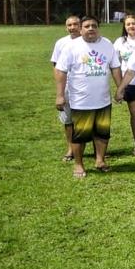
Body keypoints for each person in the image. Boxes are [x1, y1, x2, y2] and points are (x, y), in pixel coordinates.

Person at [55, 16, 123, 178]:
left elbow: (115, 68)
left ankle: (100, 160)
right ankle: (78, 165)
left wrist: (120, 89)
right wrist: (59, 95)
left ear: (98, 28)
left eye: (94, 25)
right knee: (80, 136)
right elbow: (61, 71)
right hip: (80, 101)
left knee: (102, 133)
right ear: (81, 29)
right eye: (87, 26)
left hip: (103, 100)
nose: (91, 28)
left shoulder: (107, 44)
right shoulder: (71, 47)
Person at [112, 14, 135, 152]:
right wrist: (121, 85)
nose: (131, 26)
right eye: (128, 24)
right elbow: (115, 64)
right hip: (130, 84)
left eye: (133, 23)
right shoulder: (120, 42)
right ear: (125, 27)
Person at [50, 14, 80, 161]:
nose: (72, 28)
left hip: (84, 87)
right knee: (68, 120)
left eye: (75, 24)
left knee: (90, 118)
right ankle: (70, 148)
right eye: (69, 25)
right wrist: (59, 92)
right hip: (67, 87)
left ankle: (97, 149)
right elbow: (56, 67)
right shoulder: (61, 43)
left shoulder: (88, 41)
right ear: (66, 27)